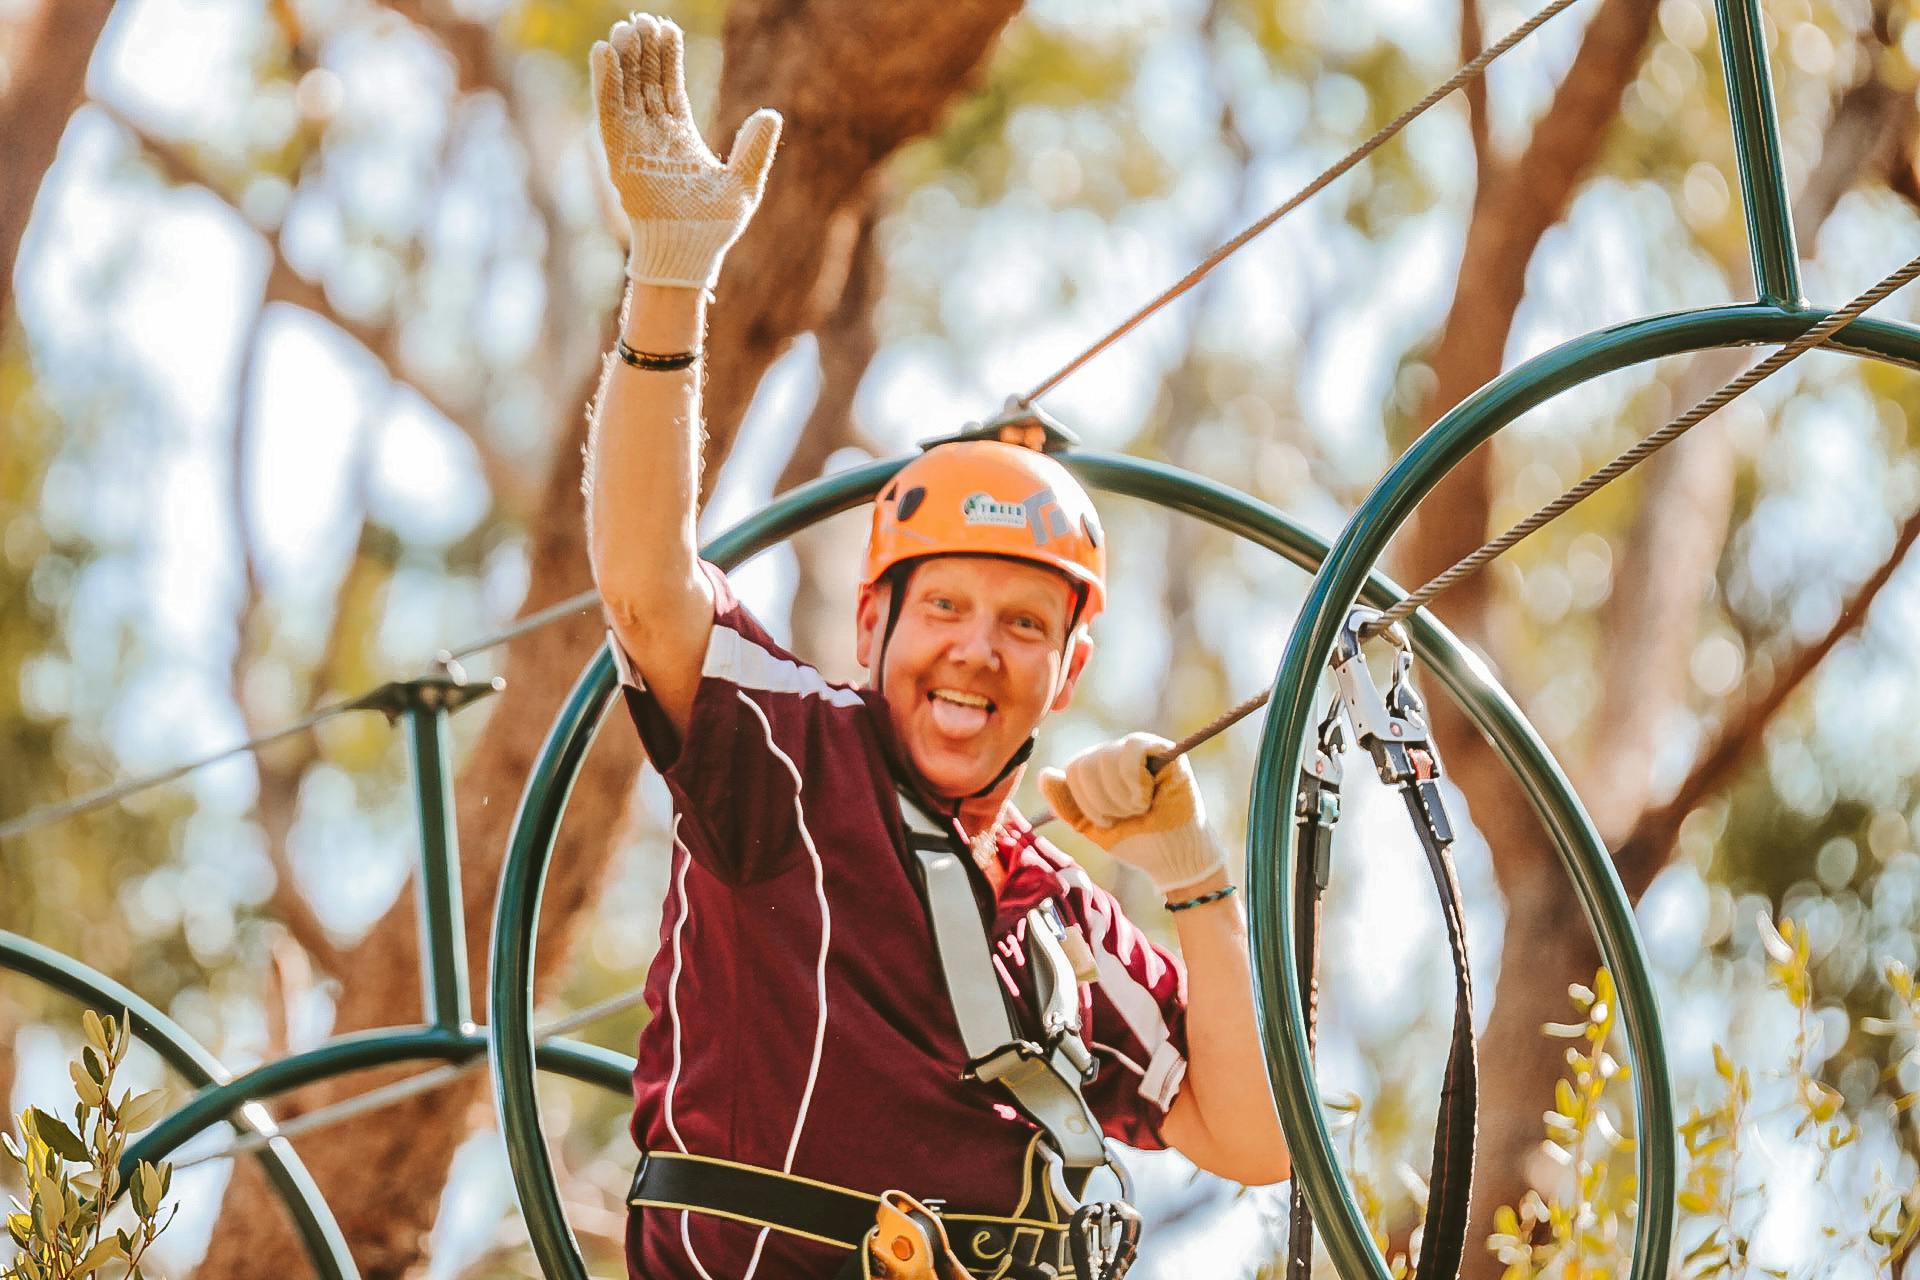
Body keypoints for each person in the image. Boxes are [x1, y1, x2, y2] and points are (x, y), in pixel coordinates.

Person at [583, 14, 1289, 1279]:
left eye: (1024, 626)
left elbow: (1251, 1135)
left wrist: (1194, 878)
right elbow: (644, 584)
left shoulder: (1059, 920)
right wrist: (672, 275)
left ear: (1064, 674)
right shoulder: (787, 754)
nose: (976, 653)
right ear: (874, 625)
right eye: (944, 610)